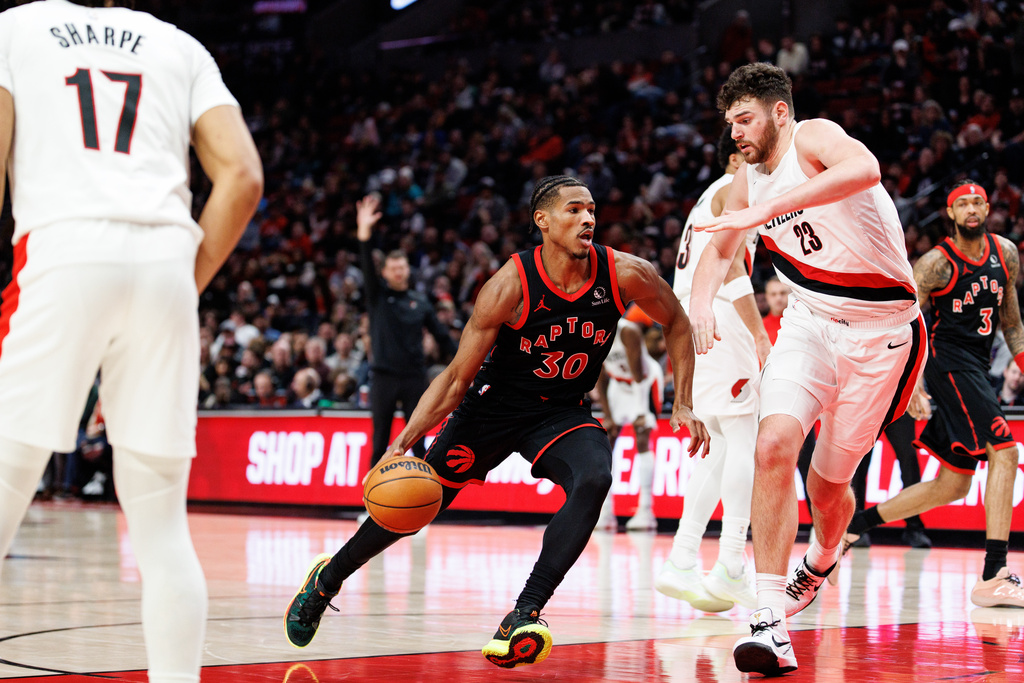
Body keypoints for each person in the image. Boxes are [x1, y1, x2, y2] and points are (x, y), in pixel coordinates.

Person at [284, 176, 710, 668]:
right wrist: (402, 442)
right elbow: (456, 379)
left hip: (561, 410)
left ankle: (523, 614)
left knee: (595, 477)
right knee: (415, 505)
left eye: (592, 210)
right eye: (574, 210)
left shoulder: (625, 273)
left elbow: (676, 320)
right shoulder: (509, 285)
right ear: (543, 221)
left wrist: (683, 402)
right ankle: (327, 579)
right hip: (490, 410)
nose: (588, 219)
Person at [0, 2, 263, 682]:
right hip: (164, 265)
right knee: (161, 523)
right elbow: (242, 175)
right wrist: (190, 276)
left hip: (61, 249)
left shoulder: (16, 26)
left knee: (4, 485)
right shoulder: (181, 44)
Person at [689, 63, 926, 676]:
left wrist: (758, 212)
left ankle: (820, 559)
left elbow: (866, 170)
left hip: (881, 334)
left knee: (828, 489)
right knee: (773, 446)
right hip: (808, 321)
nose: (735, 132)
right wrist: (698, 311)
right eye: (729, 122)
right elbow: (718, 253)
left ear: (779, 112)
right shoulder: (745, 181)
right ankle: (769, 622)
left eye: (744, 119)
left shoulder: (815, 136)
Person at [845, 181, 1024, 608]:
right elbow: (904, 320)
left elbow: (1012, 323)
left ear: (987, 207)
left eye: (977, 201)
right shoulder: (936, 264)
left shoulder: (1006, 254)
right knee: (1005, 449)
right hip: (947, 363)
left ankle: (854, 524)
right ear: (951, 213)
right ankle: (993, 573)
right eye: (962, 203)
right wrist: (913, 383)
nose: (971, 209)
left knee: (953, 485)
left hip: (977, 368)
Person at [655, 126, 770, 613]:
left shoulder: (707, 196)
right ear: (735, 161)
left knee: (721, 443)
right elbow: (734, 268)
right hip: (719, 318)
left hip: (693, 319)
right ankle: (730, 565)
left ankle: (682, 559)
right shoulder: (731, 190)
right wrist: (761, 333)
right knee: (744, 439)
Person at [357, 193, 456, 467]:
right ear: (385, 272)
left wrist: (467, 363)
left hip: (414, 377)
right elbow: (366, 266)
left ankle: (426, 503)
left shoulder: (420, 302)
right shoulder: (377, 296)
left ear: (408, 271)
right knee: (380, 442)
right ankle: (369, 505)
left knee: (420, 443)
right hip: (383, 377)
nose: (399, 272)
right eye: (393, 268)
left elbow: (443, 338)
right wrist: (364, 231)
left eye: (402, 267)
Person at [594, 311, 665, 532]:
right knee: (607, 440)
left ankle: (646, 510)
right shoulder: (593, 332)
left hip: (643, 383)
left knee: (641, 436)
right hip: (618, 384)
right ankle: (604, 512)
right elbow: (600, 375)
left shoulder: (628, 331)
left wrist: (642, 411)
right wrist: (607, 415)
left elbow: (639, 375)